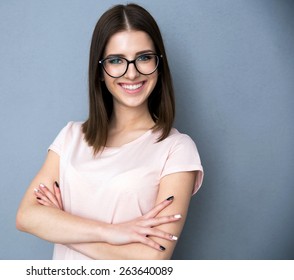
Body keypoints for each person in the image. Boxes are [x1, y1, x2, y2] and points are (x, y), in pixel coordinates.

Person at [16, 3, 203, 260]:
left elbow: (151, 259)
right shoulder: (71, 137)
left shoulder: (177, 149)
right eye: (116, 60)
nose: (133, 72)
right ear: (100, 71)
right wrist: (110, 232)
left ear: (159, 65)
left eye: (144, 57)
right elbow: (27, 216)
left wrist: (61, 228)